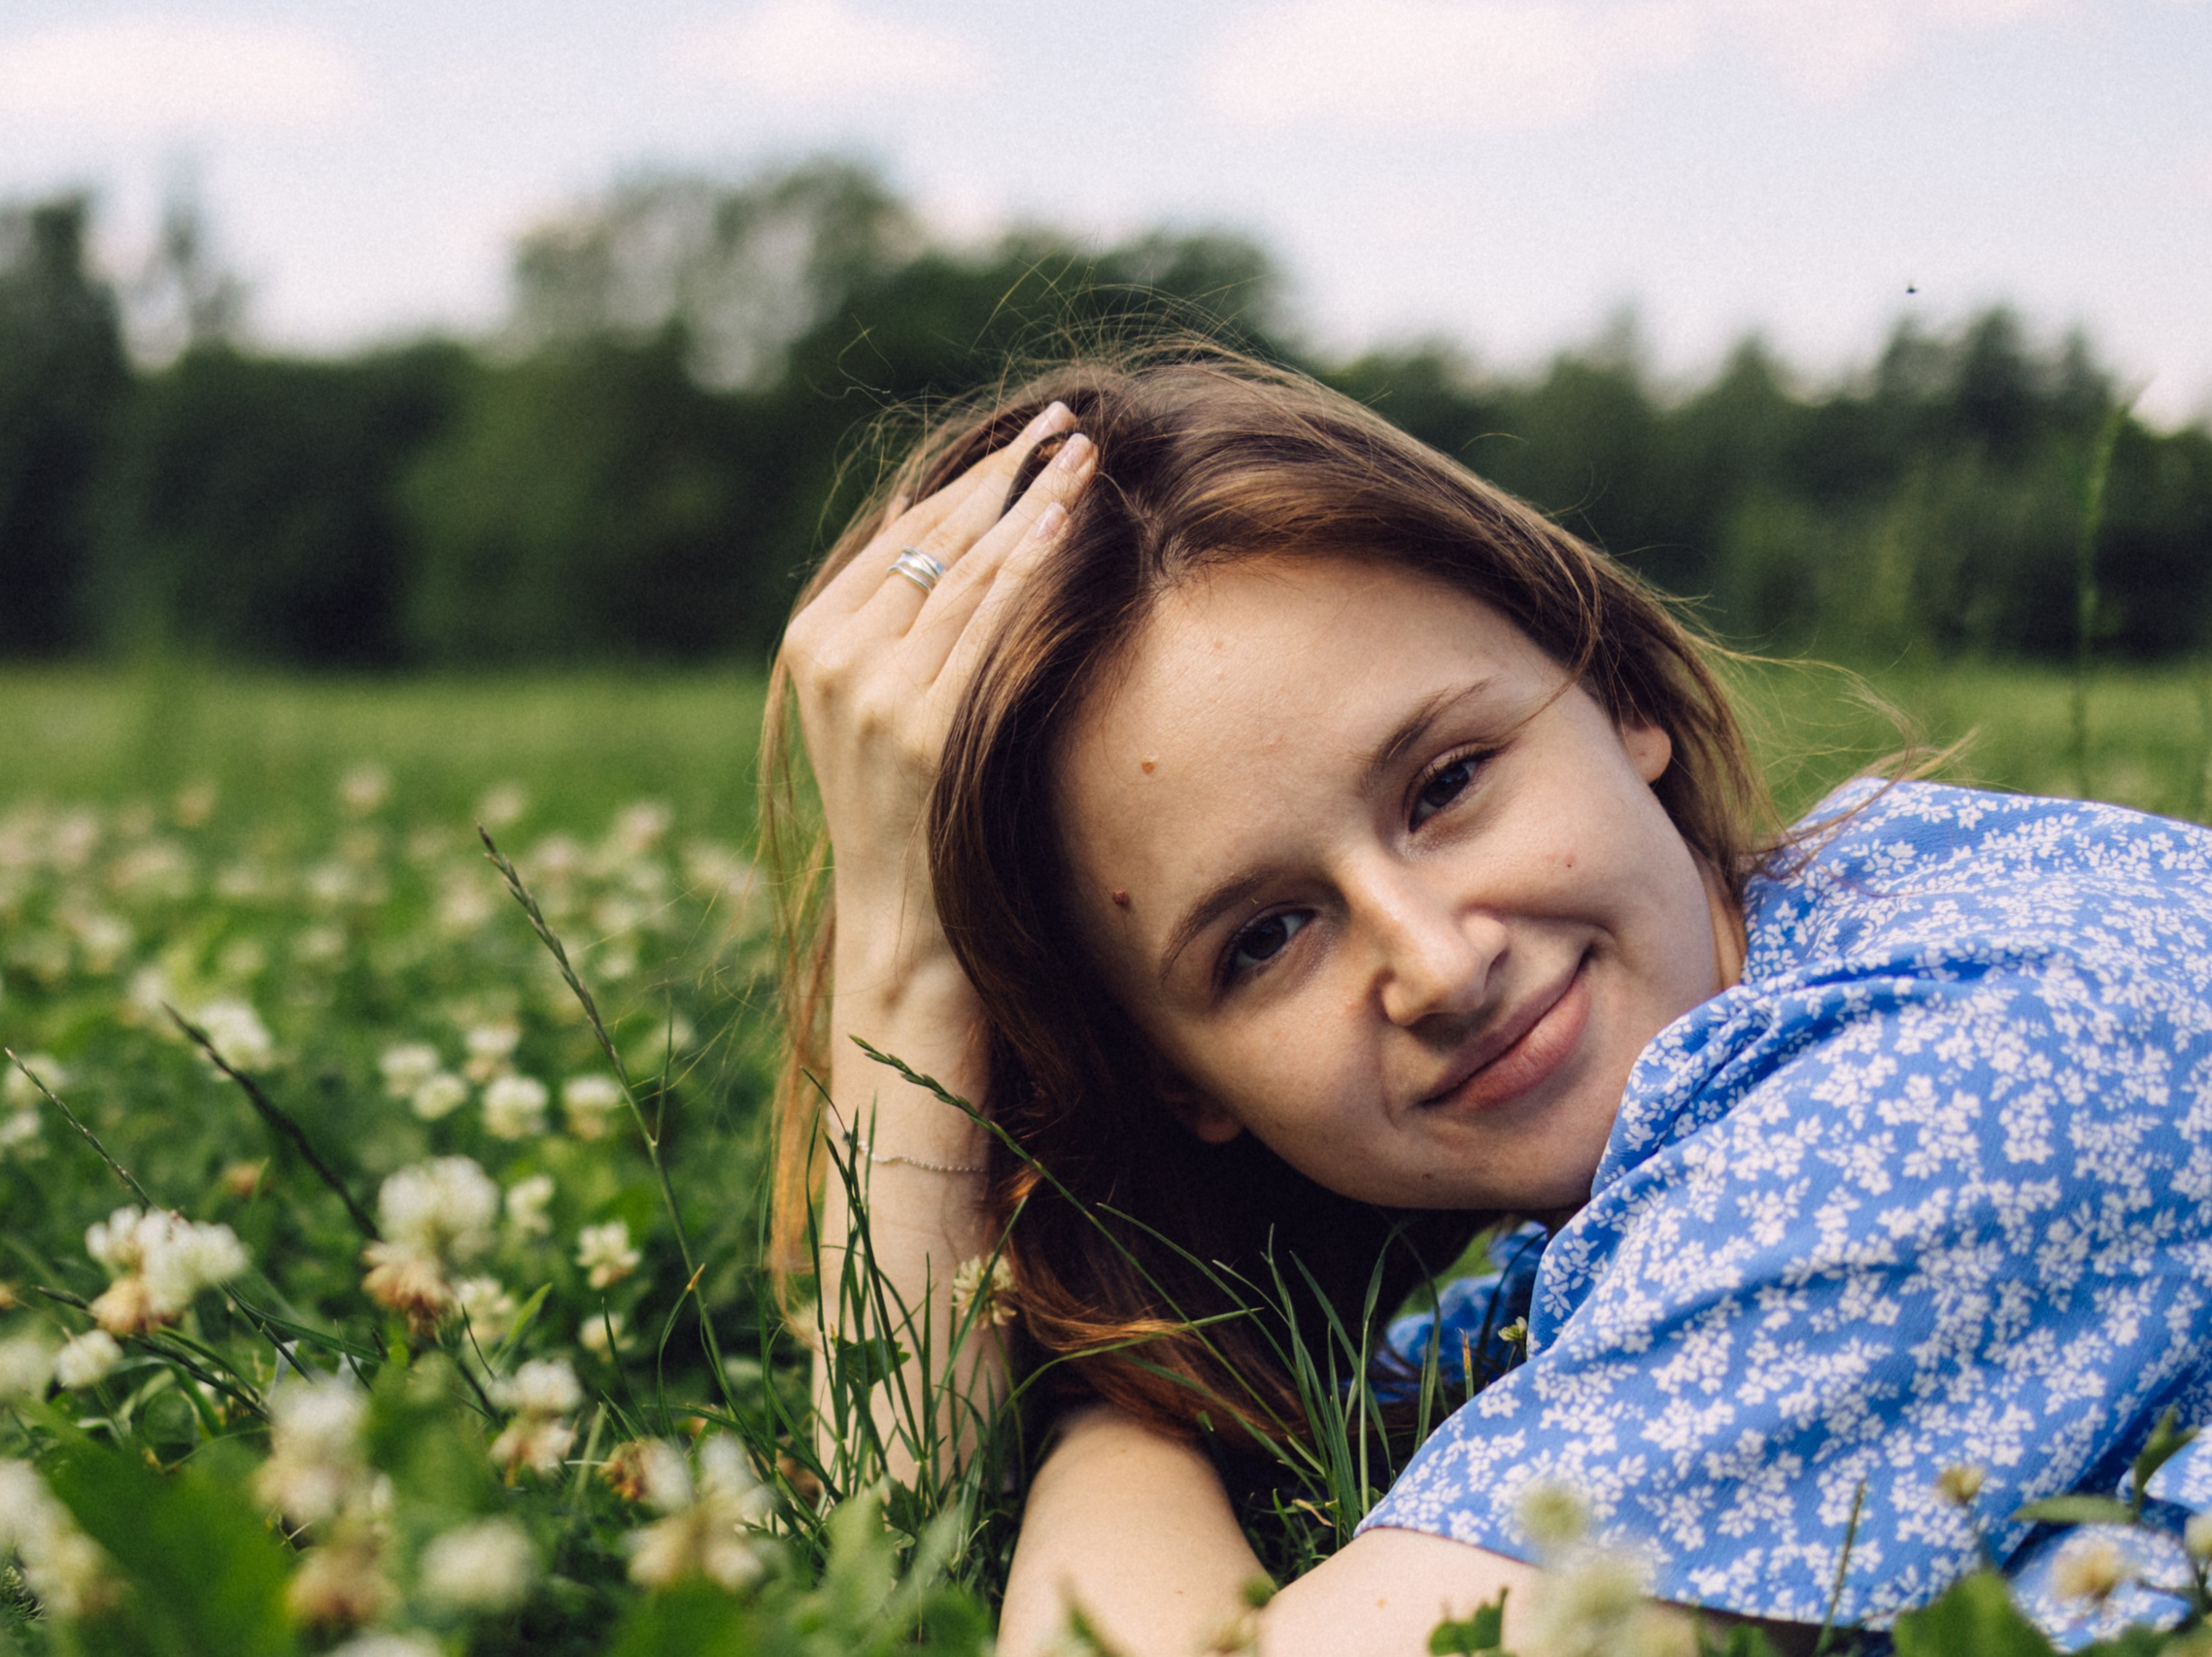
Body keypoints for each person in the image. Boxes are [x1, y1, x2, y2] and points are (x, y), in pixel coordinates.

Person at [767, 348, 2212, 1654]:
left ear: (1616, 691)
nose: (1441, 966)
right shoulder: (1730, 1084)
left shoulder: (1931, 1095)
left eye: (1449, 783)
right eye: (1266, 938)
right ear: (1177, 1078)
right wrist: (910, 954)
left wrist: (1113, 1416)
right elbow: (905, 1529)